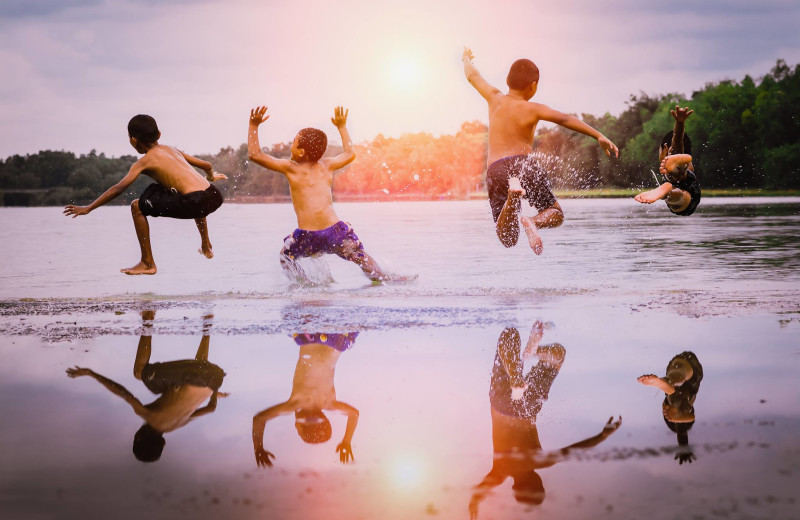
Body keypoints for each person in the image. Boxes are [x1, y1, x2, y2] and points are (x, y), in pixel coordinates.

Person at [462, 48, 619, 254]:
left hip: (497, 168)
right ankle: (531, 221)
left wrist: (466, 58)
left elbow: (472, 76)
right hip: (524, 164)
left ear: (507, 81)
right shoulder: (534, 109)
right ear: (533, 86)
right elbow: (565, 119)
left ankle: (512, 197)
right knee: (555, 213)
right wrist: (598, 135)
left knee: (508, 238)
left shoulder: (494, 98)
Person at [469, 322, 622, 518]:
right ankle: (515, 375)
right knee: (509, 335)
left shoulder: (541, 461)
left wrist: (603, 435)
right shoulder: (501, 471)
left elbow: (575, 449)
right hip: (501, 405)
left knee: (557, 354)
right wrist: (475, 503)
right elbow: (478, 492)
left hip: (528, 407)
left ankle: (531, 353)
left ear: (539, 481)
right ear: (514, 487)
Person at [63, 114, 227, 275]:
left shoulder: (144, 162)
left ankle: (148, 263)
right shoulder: (172, 149)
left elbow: (119, 188)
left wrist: (89, 208)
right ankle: (206, 245)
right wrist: (211, 176)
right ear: (159, 134)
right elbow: (207, 164)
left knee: (137, 206)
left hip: (194, 201)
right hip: (213, 194)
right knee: (179, 191)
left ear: (133, 140)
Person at [247, 106, 389, 283]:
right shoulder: (327, 166)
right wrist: (342, 126)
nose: (291, 144)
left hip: (308, 236)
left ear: (300, 152)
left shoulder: (291, 169)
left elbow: (254, 154)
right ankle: (384, 278)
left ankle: (306, 285)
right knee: (359, 256)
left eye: (293, 142)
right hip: (335, 232)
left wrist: (253, 125)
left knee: (285, 258)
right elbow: (350, 153)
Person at [65, 310, 227, 462]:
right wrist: (91, 373)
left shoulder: (178, 424)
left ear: (161, 442)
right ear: (139, 438)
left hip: (215, 378)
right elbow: (124, 393)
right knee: (139, 373)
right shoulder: (150, 417)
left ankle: (207, 326)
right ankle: (148, 318)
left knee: (193, 373)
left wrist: (214, 392)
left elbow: (211, 409)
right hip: (195, 376)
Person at [252, 332, 360, 467]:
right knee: (294, 320)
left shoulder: (329, 403)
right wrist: (258, 448)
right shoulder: (295, 403)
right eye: (298, 430)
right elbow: (258, 419)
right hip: (308, 339)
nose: (295, 426)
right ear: (302, 424)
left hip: (338, 342)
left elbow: (354, 414)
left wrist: (346, 441)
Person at [637, 351, 703, 464]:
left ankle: (666, 381)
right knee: (677, 396)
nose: (665, 410)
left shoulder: (669, 399)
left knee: (673, 386)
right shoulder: (686, 401)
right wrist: (685, 418)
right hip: (692, 371)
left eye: (665, 413)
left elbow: (681, 430)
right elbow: (681, 431)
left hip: (677, 368)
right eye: (669, 415)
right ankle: (666, 382)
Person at [634, 106, 701, 216]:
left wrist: (679, 124)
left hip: (684, 196)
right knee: (677, 174)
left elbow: (677, 146)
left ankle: (666, 190)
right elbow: (678, 145)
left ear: (663, 150)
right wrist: (680, 123)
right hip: (688, 187)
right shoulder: (683, 168)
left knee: (675, 187)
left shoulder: (668, 165)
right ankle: (666, 189)